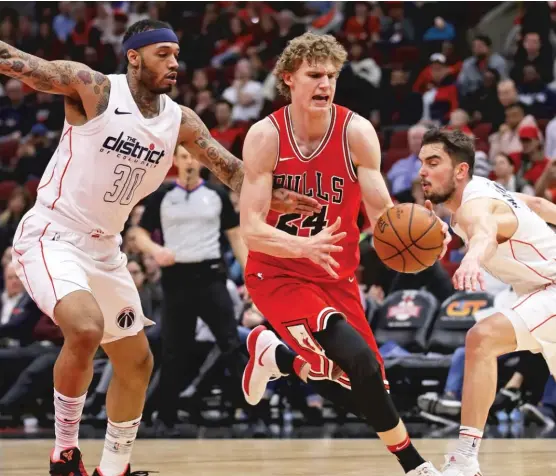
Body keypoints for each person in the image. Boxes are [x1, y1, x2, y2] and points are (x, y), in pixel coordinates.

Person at [0, 19, 318, 476]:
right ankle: (65, 454)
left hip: (105, 249)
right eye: (162, 54)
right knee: (86, 329)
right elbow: (22, 65)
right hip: (53, 234)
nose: (174, 63)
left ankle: (115, 468)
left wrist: (278, 195)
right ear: (133, 56)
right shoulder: (95, 90)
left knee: (138, 360)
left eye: (176, 53)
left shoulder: (180, 120)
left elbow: (230, 169)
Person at [239, 32, 450, 476]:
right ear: (288, 79)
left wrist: (431, 233)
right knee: (354, 358)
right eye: (314, 75)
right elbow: (252, 230)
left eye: (332, 75)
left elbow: (383, 217)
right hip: (277, 274)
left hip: (336, 277)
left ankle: (274, 356)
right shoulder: (265, 136)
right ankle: (416, 467)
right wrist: (302, 246)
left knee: (369, 383)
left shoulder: (356, 132)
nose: (325, 84)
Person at [418, 128, 556, 475]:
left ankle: (465, 459)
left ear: (460, 171)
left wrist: (471, 259)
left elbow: (484, 232)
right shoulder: (487, 190)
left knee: (481, 338)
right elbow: (536, 204)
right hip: (539, 292)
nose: (423, 171)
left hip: (551, 288)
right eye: (422, 162)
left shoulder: (474, 205)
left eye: (433, 162)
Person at [132, 144, 249, 433]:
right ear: (175, 160)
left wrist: (250, 277)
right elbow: (138, 233)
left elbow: (236, 238)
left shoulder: (216, 194)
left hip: (210, 276)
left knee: (231, 345)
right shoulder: (163, 195)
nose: (189, 162)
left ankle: (252, 413)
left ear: (201, 162)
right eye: (184, 156)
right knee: (174, 350)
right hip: (176, 278)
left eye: (194, 157)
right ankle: (165, 417)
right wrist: (155, 250)